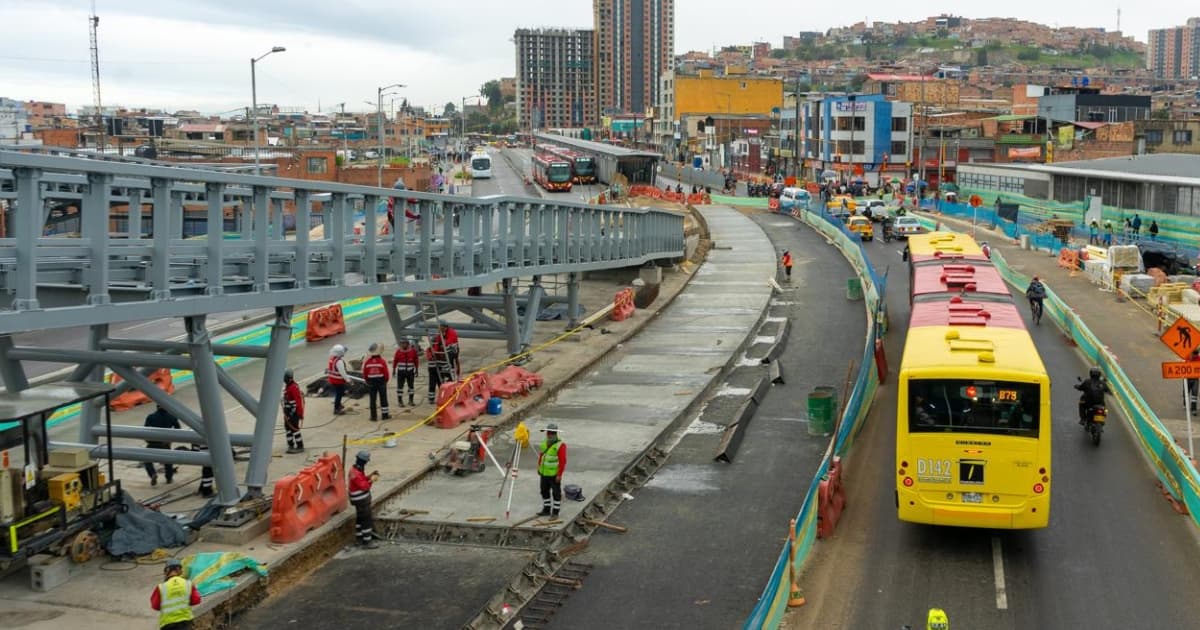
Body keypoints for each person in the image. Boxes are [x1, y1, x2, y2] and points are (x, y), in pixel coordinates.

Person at [150, 558, 201, 629]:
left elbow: (155, 605)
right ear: (178, 570)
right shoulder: (188, 584)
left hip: (167, 624)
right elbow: (196, 600)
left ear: (167, 571)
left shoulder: (161, 587)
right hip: (185, 622)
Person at [348, 450, 380, 549]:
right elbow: (364, 486)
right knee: (366, 519)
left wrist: (369, 476)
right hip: (361, 500)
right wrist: (372, 480)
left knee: (360, 518)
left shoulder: (356, 470)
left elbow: (361, 479)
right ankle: (367, 542)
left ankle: (359, 538)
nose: (366, 463)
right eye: (366, 461)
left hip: (358, 500)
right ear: (363, 461)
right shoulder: (355, 473)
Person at [143, 404, 179, 486]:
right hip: (165, 443)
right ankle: (169, 478)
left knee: (147, 460)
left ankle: (152, 474)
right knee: (168, 461)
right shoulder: (172, 417)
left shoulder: (151, 417)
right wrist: (170, 438)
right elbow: (178, 430)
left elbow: (145, 430)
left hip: (153, 443)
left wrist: (148, 440)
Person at [537, 424, 567, 517]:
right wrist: (539, 467)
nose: (549, 434)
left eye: (552, 433)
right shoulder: (545, 442)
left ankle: (555, 512)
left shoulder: (561, 445)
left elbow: (563, 461)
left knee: (556, 493)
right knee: (544, 491)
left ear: (555, 433)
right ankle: (546, 510)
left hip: (554, 475)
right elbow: (542, 455)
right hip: (544, 473)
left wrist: (559, 475)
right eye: (548, 433)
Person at [361, 342, 390, 422]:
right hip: (381, 382)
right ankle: (385, 415)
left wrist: (367, 381)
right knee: (383, 399)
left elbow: (365, 373)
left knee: (372, 400)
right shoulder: (382, 361)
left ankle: (373, 417)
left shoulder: (367, 362)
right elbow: (386, 373)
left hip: (371, 383)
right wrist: (385, 381)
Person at [281, 369, 305, 454]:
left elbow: (297, 402)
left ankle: (300, 446)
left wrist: (295, 414)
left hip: (293, 413)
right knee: (288, 428)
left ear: (288, 378)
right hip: (288, 412)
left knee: (295, 429)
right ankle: (290, 445)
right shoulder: (289, 386)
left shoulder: (293, 387)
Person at [392, 338, 419, 408]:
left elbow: (416, 360)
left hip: (410, 371)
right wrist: (394, 370)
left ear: (408, 344)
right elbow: (395, 360)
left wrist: (417, 370)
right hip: (401, 372)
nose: (403, 345)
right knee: (400, 387)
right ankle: (400, 401)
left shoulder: (413, 351)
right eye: (402, 343)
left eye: (404, 343)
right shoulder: (398, 352)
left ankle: (411, 400)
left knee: (411, 387)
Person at [426, 335, 453, 404]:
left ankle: (443, 397)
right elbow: (430, 356)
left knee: (441, 384)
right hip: (432, 369)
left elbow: (444, 357)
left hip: (439, 368)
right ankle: (431, 399)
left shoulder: (441, 349)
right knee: (432, 384)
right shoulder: (429, 349)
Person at [326, 344, 351, 415]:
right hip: (338, 381)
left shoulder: (332, 358)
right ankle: (336, 409)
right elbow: (343, 373)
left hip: (332, 379)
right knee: (339, 394)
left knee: (339, 392)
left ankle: (339, 405)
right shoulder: (339, 361)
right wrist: (348, 380)